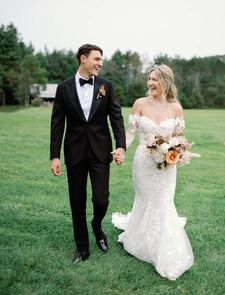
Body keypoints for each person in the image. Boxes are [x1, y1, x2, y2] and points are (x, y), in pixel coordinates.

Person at [112, 64, 194, 280]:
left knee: (164, 201)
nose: (150, 84)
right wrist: (121, 149)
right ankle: (140, 238)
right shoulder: (140, 104)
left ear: (166, 81)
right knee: (145, 199)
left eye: (155, 80)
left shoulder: (176, 108)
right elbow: (130, 134)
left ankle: (162, 244)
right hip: (143, 164)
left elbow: (179, 137)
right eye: (149, 79)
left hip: (167, 165)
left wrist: (177, 149)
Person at [50, 44, 126, 264]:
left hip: (101, 152)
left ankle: (96, 224)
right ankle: (82, 248)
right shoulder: (64, 88)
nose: (100, 63)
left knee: (101, 199)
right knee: (77, 201)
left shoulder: (106, 86)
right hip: (74, 153)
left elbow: (116, 118)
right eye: (97, 59)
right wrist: (55, 156)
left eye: (101, 59)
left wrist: (120, 145)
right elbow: (57, 124)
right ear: (83, 59)